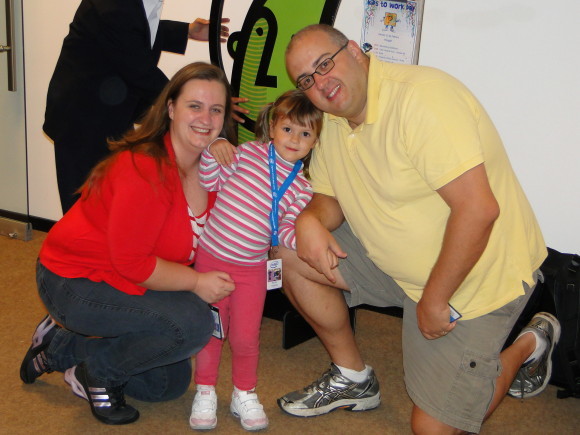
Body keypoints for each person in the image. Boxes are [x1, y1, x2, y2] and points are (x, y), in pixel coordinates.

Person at [276, 24, 561, 434]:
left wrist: (434, 298)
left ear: (354, 51)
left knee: (432, 429)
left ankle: (530, 343)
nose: (320, 83)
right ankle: (353, 377)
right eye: (307, 79)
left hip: (472, 277)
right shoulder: (333, 120)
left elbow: (479, 210)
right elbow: (328, 196)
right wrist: (309, 219)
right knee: (286, 253)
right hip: (398, 266)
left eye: (325, 64)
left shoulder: (421, 99)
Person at [20, 62, 238, 425]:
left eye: (216, 109)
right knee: (192, 325)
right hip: (73, 279)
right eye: (194, 106)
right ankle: (98, 373)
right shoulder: (143, 168)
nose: (206, 118)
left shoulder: (214, 169)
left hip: (126, 276)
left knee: (166, 383)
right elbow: (134, 265)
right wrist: (198, 284)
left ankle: (60, 347)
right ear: (170, 108)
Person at [189, 90, 323, 431]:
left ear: (315, 141)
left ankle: (244, 393)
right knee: (211, 331)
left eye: (306, 134)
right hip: (212, 259)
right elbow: (208, 180)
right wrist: (213, 150)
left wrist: (310, 243)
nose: (295, 139)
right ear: (273, 125)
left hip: (252, 269)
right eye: (289, 129)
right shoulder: (248, 153)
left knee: (247, 337)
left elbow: (288, 229)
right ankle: (205, 390)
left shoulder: (302, 188)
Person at [43, 0, 248, 213]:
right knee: (83, 210)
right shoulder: (114, 7)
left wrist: (186, 31)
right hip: (81, 119)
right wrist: (206, 105)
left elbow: (138, 29)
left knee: (110, 200)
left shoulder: (135, 7)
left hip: (109, 111)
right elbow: (139, 67)